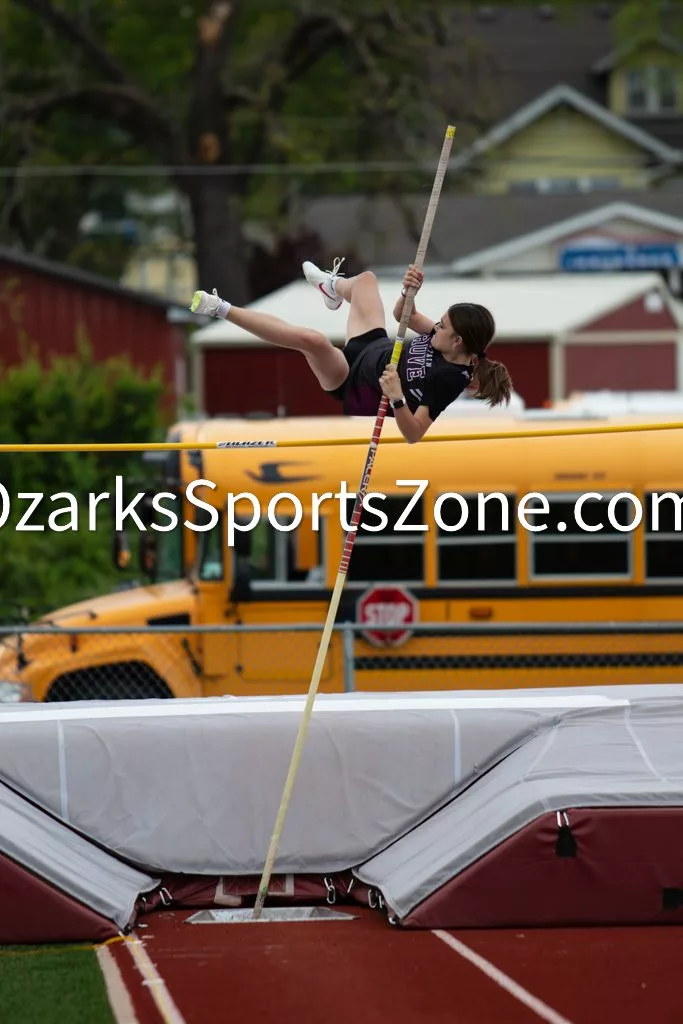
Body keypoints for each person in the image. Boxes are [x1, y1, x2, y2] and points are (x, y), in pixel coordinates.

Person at [189, 259, 513, 444]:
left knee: (314, 340)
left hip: (350, 382)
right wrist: (409, 291)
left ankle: (220, 308)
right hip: (370, 346)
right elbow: (404, 316)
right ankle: (331, 288)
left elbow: (414, 434)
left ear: (458, 342)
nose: (435, 327)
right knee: (365, 281)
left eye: (442, 326)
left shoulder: (449, 378)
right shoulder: (444, 339)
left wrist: (397, 397)